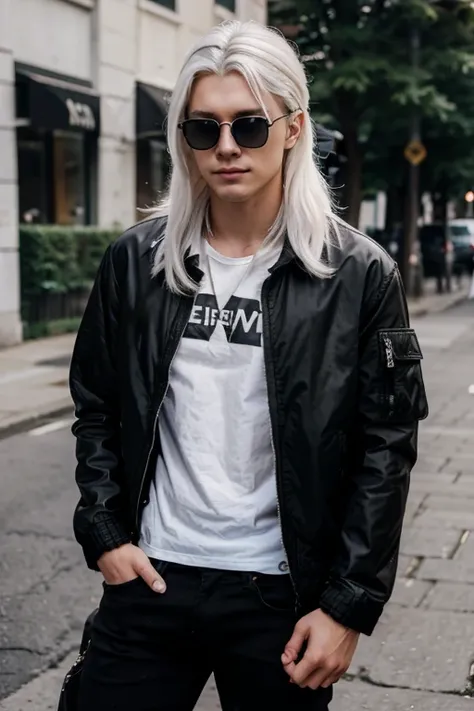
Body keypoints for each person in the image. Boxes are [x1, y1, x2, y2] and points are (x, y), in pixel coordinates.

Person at [69, 20, 428, 711]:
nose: (226, 147)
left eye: (249, 126)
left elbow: (386, 447)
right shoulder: (137, 263)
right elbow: (96, 405)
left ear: (293, 127)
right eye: (203, 129)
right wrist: (107, 533)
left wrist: (348, 605)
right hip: (152, 579)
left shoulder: (358, 275)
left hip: (282, 596)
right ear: (185, 140)